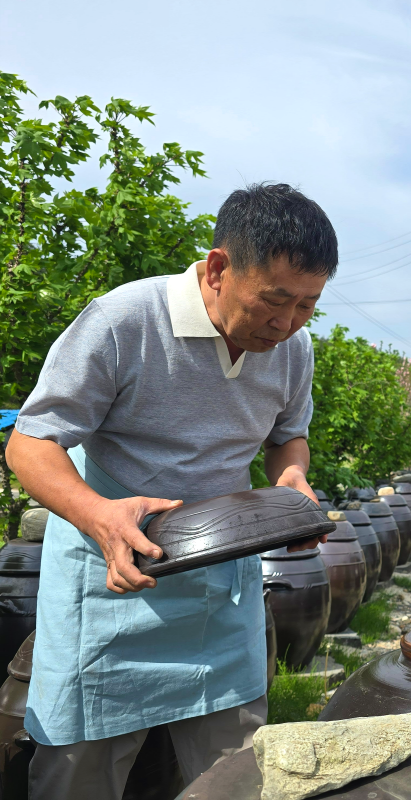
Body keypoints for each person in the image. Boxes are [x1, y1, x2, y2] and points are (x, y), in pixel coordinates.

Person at [6, 183, 338, 800]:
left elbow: (287, 437)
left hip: (219, 574)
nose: (286, 323)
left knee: (238, 769)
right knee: (81, 768)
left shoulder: (293, 349)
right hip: (113, 573)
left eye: (307, 306)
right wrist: (99, 516)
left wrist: (290, 478)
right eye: (274, 300)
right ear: (217, 269)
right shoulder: (123, 321)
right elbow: (30, 443)